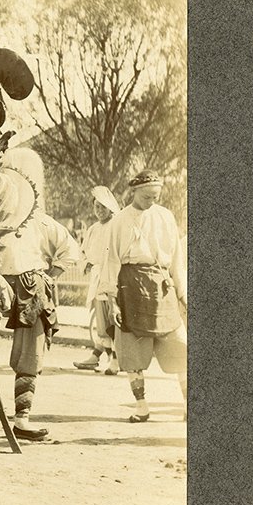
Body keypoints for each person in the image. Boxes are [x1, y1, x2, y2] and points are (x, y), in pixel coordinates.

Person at [0, 152, 78, 441]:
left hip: (31, 287)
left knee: (31, 354)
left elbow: (70, 251)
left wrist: (50, 275)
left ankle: (22, 418)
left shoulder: (42, 223)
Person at [99, 170, 187, 422]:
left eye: (156, 197)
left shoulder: (165, 217)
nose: (152, 201)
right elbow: (111, 262)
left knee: (181, 348)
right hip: (130, 289)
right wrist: (112, 302)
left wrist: (183, 294)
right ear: (134, 192)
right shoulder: (119, 221)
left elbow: (177, 261)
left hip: (162, 289)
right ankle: (141, 407)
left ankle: (188, 406)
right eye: (147, 196)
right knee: (132, 353)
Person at [74, 186, 121, 374]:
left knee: (114, 319)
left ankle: (115, 361)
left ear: (110, 208)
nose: (100, 211)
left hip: (113, 276)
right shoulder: (93, 229)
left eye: (103, 207)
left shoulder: (116, 225)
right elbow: (83, 251)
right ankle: (104, 358)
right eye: (97, 208)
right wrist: (85, 263)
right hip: (97, 278)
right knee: (101, 322)